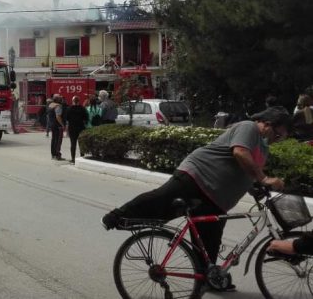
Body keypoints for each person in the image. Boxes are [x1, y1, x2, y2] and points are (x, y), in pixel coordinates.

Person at [101, 106, 290, 291]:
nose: (277, 140)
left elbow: (247, 173)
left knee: (208, 249)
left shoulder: (263, 150)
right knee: (162, 200)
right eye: (278, 135)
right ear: (267, 124)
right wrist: (264, 178)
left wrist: (259, 187)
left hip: (216, 200)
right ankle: (117, 216)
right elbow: (240, 152)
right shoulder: (249, 127)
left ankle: (211, 278)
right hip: (197, 177)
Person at [65, 96, 88, 164]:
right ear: (79, 101)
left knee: (73, 144)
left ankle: (73, 159)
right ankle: (82, 157)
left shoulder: (69, 109)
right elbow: (86, 118)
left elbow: (67, 118)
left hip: (72, 128)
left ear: (72, 101)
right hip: (81, 127)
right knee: (81, 143)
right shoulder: (82, 108)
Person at [47, 94, 65, 160]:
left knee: (53, 139)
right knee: (58, 140)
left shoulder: (50, 105)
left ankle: (53, 154)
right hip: (57, 125)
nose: (61, 99)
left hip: (52, 124)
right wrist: (62, 124)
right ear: (57, 99)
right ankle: (57, 155)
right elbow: (58, 116)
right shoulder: (58, 106)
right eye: (60, 98)